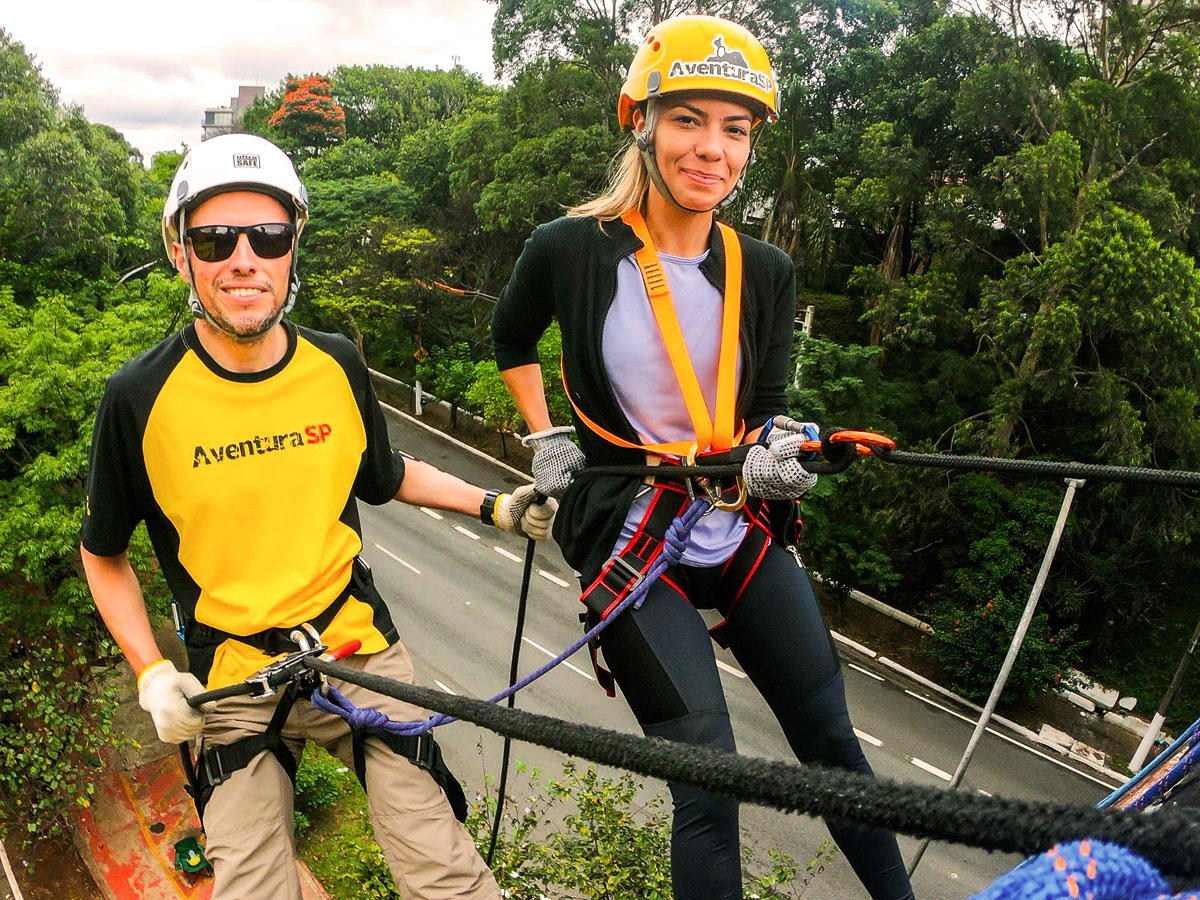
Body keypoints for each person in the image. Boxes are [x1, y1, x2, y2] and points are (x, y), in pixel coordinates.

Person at [491, 15, 916, 900]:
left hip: (729, 518)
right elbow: (510, 338)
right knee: (711, 780)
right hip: (629, 529)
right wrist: (546, 437)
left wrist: (785, 454)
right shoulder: (568, 249)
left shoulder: (764, 269)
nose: (711, 150)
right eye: (688, 120)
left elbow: (764, 415)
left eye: (736, 129)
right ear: (639, 120)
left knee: (834, 748)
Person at [80, 133, 554, 900]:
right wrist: (152, 674)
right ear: (181, 254)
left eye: (267, 237)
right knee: (251, 889)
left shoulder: (335, 363)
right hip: (231, 677)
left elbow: (386, 474)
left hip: (354, 647)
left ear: (291, 248)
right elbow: (102, 554)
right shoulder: (138, 397)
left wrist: (495, 504)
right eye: (215, 238)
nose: (243, 259)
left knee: (447, 875)